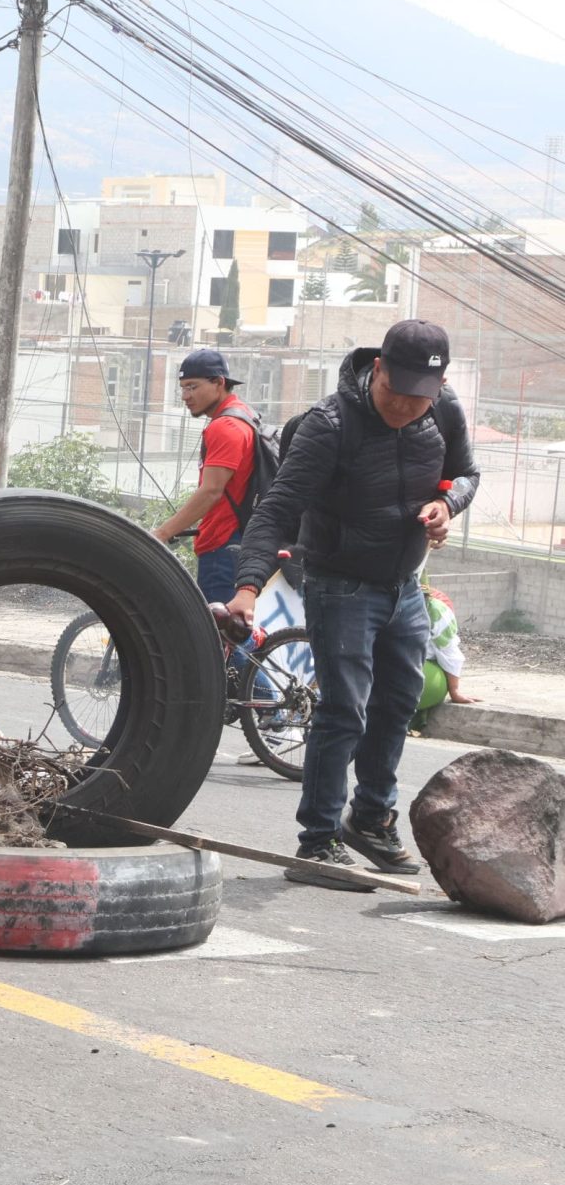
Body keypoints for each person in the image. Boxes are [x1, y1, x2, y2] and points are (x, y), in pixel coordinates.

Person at [224, 320, 479, 886]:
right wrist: (248, 587)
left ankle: (370, 818)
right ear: (378, 368)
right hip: (340, 585)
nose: (407, 408)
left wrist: (447, 504)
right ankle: (315, 842)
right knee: (345, 710)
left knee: (399, 704)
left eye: (421, 398)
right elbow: (277, 510)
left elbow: (464, 474)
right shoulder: (329, 425)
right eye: (397, 393)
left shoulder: (444, 409)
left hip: (404, 586)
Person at [152, 348, 264, 624]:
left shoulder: (226, 427)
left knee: (221, 639)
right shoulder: (245, 416)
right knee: (229, 635)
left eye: (193, 386)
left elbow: (211, 491)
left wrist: (163, 533)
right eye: (182, 388)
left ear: (219, 383)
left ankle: (254, 671)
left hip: (223, 546)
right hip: (234, 541)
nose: (185, 396)